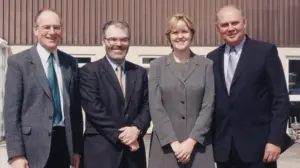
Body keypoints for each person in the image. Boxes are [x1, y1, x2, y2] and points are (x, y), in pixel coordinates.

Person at [207, 5, 290, 168]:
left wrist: (275, 140)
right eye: (224, 25)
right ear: (218, 28)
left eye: (234, 23)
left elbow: (280, 99)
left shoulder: (265, 52)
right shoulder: (212, 59)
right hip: (225, 151)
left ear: (244, 22)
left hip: (260, 151)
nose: (230, 28)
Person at [3, 9, 83, 168]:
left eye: (56, 27)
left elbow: (75, 110)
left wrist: (77, 149)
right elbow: (11, 112)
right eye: (46, 27)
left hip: (64, 144)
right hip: (32, 148)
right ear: (36, 30)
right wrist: (16, 154)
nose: (52, 32)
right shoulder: (19, 63)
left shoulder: (70, 63)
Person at [80, 20, 151, 168]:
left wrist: (137, 129)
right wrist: (124, 136)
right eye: (113, 39)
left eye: (124, 39)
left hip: (133, 156)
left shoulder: (140, 73)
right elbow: (94, 109)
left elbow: (147, 106)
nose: (118, 44)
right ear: (103, 41)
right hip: (100, 154)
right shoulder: (89, 71)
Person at [148, 14, 215, 168]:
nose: (180, 36)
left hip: (199, 146)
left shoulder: (206, 65)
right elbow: (155, 107)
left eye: (184, 31)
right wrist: (175, 144)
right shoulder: (157, 66)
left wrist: (191, 142)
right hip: (166, 147)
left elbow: (208, 106)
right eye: (175, 32)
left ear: (192, 34)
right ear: (168, 36)